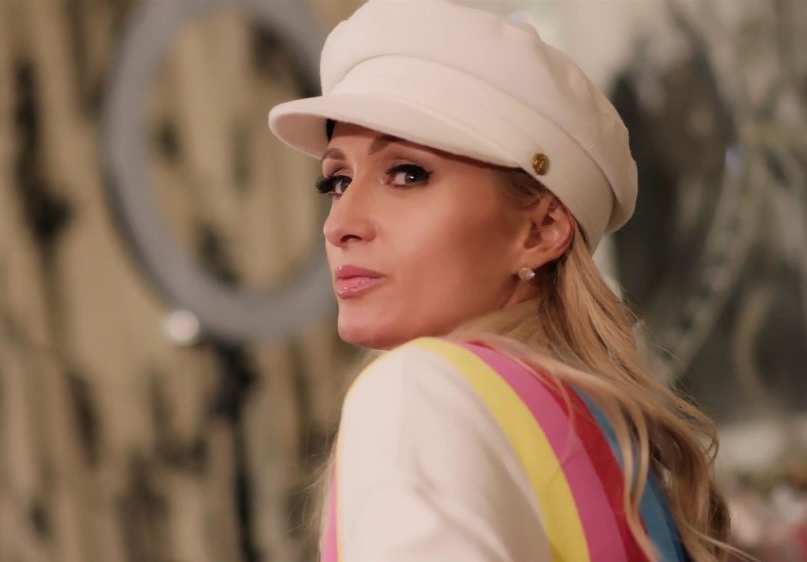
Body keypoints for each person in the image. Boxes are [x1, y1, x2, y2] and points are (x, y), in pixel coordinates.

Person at [268, 1, 733, 560]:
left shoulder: (418, 392)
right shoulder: (615, 448)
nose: (339, 225)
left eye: (407, 174)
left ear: (542, 229)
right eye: (337, 182)